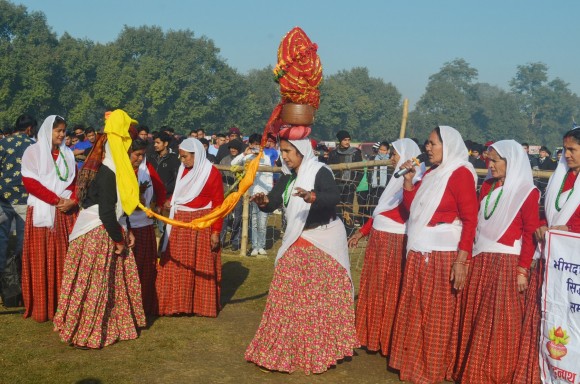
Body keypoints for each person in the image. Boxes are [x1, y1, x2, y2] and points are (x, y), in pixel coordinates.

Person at [245, 135, 358, 374]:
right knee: (286, 293)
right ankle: (287, 346)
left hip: (323, 239)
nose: (284, 156)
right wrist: (263, 201)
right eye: (283, 151)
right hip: (298, 238)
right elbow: (274, 201)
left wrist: (312, 197)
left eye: (288, 151)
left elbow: (334, 198)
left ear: (302, 151)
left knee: (319, 298)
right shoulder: (287, 177)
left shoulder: (319, 171)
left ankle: (322, 348)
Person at [389, 126, 478, 384]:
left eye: (432, 144)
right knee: (415, 308)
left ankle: (432, 367)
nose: (427, 148)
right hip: (420, 248)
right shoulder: (430, 173)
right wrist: (408, 181)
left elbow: (470, 221)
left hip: (442, 254)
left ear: (447, 146)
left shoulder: (460, 174)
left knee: (435, 314)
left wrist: (462, 260)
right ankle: (412, 362)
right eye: (427, 144)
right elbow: (413, 209)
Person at [54, 109, 145, 349]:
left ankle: (102, 325)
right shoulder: (109, 171)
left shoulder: (116, 170)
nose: (137, 158)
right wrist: (118, 239)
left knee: (104, 284)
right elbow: (106, 211)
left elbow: (118, 207)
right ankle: (86, 332)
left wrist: (127, 231)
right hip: (97, 231)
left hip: (104, 228)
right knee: (95, 286)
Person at [455, 140, 539, 383]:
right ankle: (472, 370)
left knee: (499, 320)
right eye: (488, 160)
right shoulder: (488, 187)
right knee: (476, 316)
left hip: (507, 262)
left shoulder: (527, 192)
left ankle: (494, 373)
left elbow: (529, 233)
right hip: (483, 258)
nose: (489, 165)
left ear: (510, 162)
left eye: (495, 161)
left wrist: (523, 269)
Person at [347, 138, 424, 356]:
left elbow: (411, 212)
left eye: (395, 155)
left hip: (395, 241)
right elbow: (380, 212)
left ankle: (386, 339)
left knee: (390, 289)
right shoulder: (395, 182)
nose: (391, 159)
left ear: (408, 157)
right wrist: (362, 233)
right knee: (373, 286)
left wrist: (408, 182)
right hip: (379, 240)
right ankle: (368, 335)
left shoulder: (416, 182)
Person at [515, 128, 580, 383]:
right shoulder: (561, 178)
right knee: (542, 316)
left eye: (573, 150)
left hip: (572, 267)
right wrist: (544, 226)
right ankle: (534, 374)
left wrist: (570, 229)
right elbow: (550, 213)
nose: (567, 155)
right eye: (565, 150)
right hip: (552, 259)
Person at [155, 138, 224, 317]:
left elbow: (218, 204)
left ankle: (200, 305)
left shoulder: (211, 173)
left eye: (186, 156)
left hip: (202, 222)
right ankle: (176, 304)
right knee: (177, 263)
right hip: (180, 223)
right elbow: (180, 195)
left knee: (200, 264)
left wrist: (216, 231)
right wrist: (171, 202)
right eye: (181, 156)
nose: (183, 160)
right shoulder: (182, 171)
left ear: (197, 154)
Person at [20, 115, 78, 322]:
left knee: (64, 258)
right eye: (58, 131)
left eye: (64, 131)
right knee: (41, 256)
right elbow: (30, 183)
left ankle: (64, 305)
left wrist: (72, 200)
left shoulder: (68, 153)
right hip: (43, 211)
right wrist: (56, 200)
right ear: (48, 131)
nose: (62, 135)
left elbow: (74, 181)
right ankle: (44, 306)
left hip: (65, 212)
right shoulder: (33, 152)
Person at [128, 138, 166, 315]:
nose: (139, 159)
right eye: (137, 155)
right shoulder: (120, 170)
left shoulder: (146, 169)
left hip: (144, 223)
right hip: (125, 223)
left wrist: (156, 204)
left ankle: (142, 304)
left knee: (144, 267)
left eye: (142, 155)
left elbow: (160, 188)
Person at [0, 114, 36, 296]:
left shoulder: (3, 143)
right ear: (30, 128)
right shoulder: (34, 146)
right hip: (25, 199)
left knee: (3, 243)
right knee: (23, 245)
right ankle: (23, 287)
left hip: (4, 199)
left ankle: (6, 288)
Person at [232, 133, 273, 256]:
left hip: (264, 193)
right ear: (249, 145)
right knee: (253, 221)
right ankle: (255, 246)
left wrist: (268, 192)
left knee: (263, 221)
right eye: (254, 145)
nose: (256, 147)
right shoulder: (247, 157)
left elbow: (269, 175)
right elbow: (233, 163)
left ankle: (262, 245)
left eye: (258, 145)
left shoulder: (266, 158)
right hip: (251, 193)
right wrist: (244, 153)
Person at [327, 130, 363, 236]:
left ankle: (349, 233)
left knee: (348, 209)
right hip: (337, 185)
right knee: (336, 209)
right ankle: (338, 231)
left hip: (349, 185)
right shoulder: (333, 153)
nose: (347, 142)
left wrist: (354, 184)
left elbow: (360, 170)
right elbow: (329, 170)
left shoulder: (355, 152)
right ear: (340, 141)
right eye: (344, 140)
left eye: (348, 140)